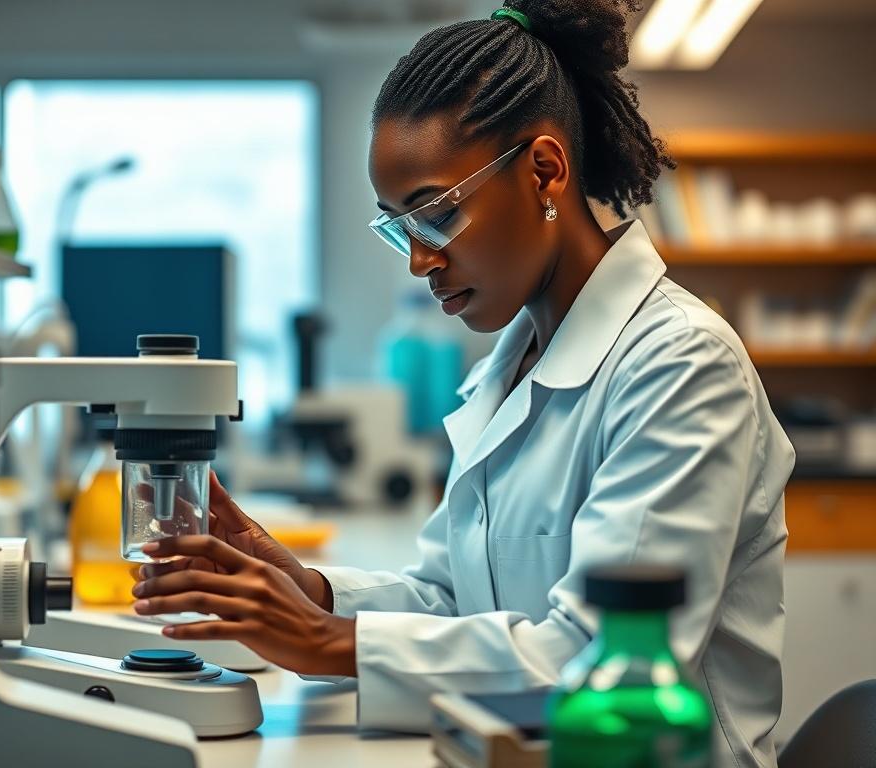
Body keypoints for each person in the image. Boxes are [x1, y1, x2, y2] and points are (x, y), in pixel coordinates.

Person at [131, 2, 795, 765]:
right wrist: (309, 591)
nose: (419, 260)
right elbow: (448, 599)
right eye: (399, 227)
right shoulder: (506, 371)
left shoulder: (680, 365)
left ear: (545, 170)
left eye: (436, 214)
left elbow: (599, 664)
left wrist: (326, 643)